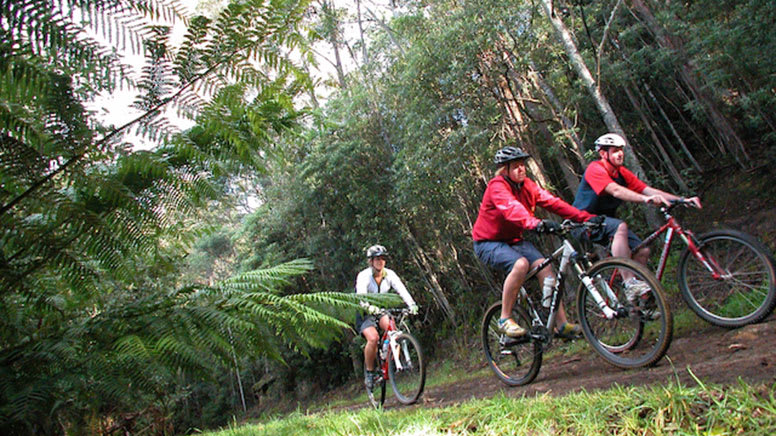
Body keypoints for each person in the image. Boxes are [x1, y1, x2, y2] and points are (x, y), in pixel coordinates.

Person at [472, 145, 600, 338]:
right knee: (520, 264)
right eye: (515, 166)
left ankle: (561, 325)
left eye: (522, 165)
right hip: (487, 243)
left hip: (513, 240)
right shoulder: (497, 186)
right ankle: (505, 318)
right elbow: (512, 209)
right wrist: (536, 224)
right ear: (504, 170)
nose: (521, 169)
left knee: (545, 267)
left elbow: (553, 202)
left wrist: (584, 218)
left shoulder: (528, 186)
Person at [572, 132, 702, 303]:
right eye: (615, 150)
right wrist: (645, 200)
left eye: (621, 150)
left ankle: (641, 300)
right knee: (620, 227)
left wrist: (681, 200)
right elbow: (616, 190)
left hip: (603, 223)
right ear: (604, 154)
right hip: (582, 223)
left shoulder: (622, 173)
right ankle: (629, 283)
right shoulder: (595, 169)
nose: (620, 153)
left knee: (642, 250)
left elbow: (648, 190)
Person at [355, 244, 418, 390]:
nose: (380, 262)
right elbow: (361, 297)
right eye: (377, 259)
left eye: (383, 258)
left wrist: (411, 304)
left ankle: (390, 362)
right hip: (365, 312)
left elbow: (401, 289)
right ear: (371, 261)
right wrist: (369, 307)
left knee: (393, 330)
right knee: (373, 338)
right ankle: (370, 373)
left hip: (381, 309)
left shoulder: (389, 274)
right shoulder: (364, 276)